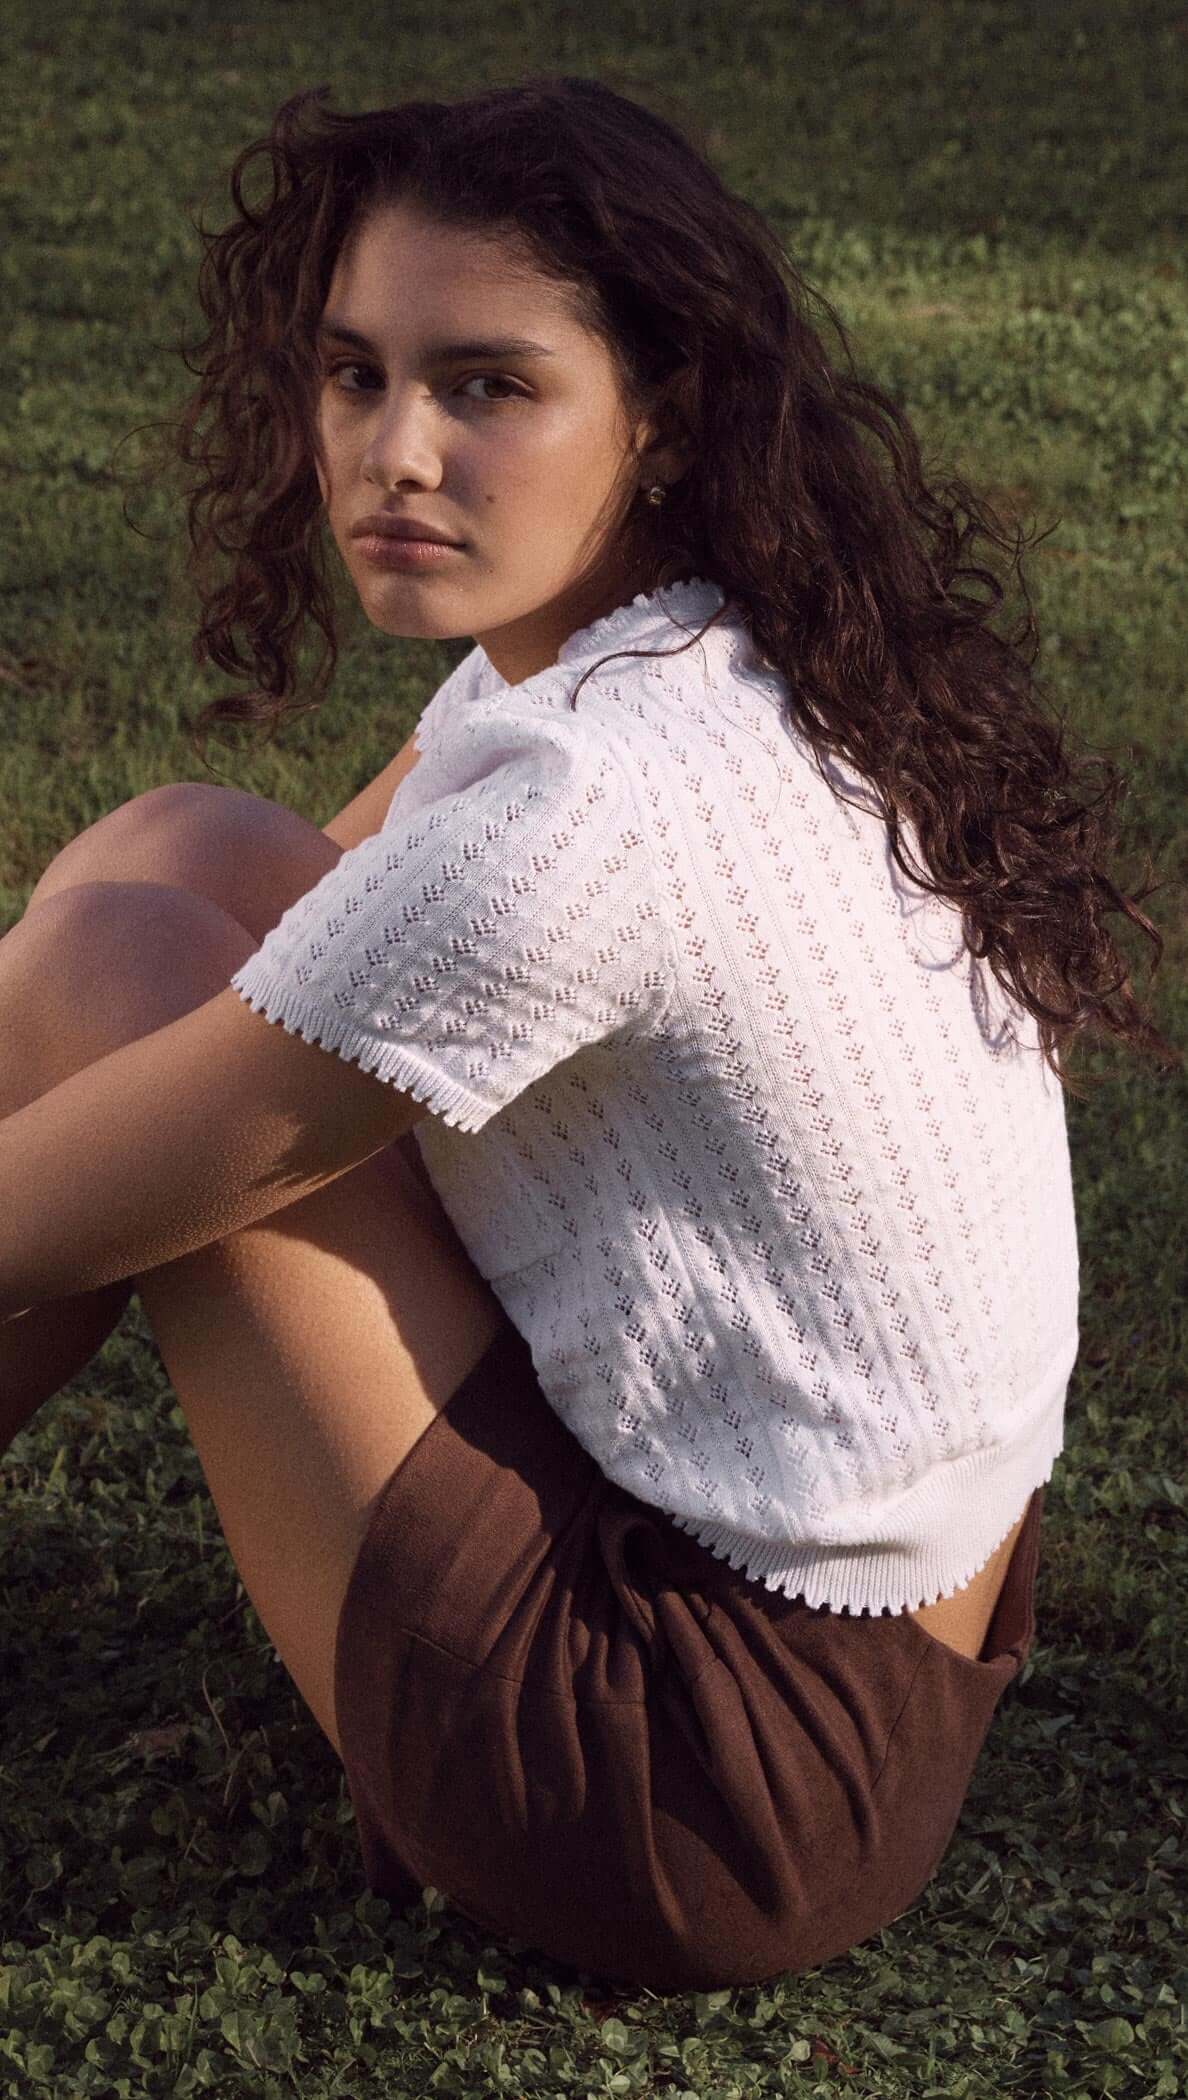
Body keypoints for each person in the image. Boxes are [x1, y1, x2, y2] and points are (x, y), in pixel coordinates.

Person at [0, 76, 1178, 1995]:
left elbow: (62, 1192)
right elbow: (303, 916)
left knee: (106, 975)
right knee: (184, 852)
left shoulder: (591, 816)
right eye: (353, 373)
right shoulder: (703, 645)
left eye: (487, 386)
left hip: (708, 1771)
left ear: (663, 411)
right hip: (856, 1633)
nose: (397, 451)